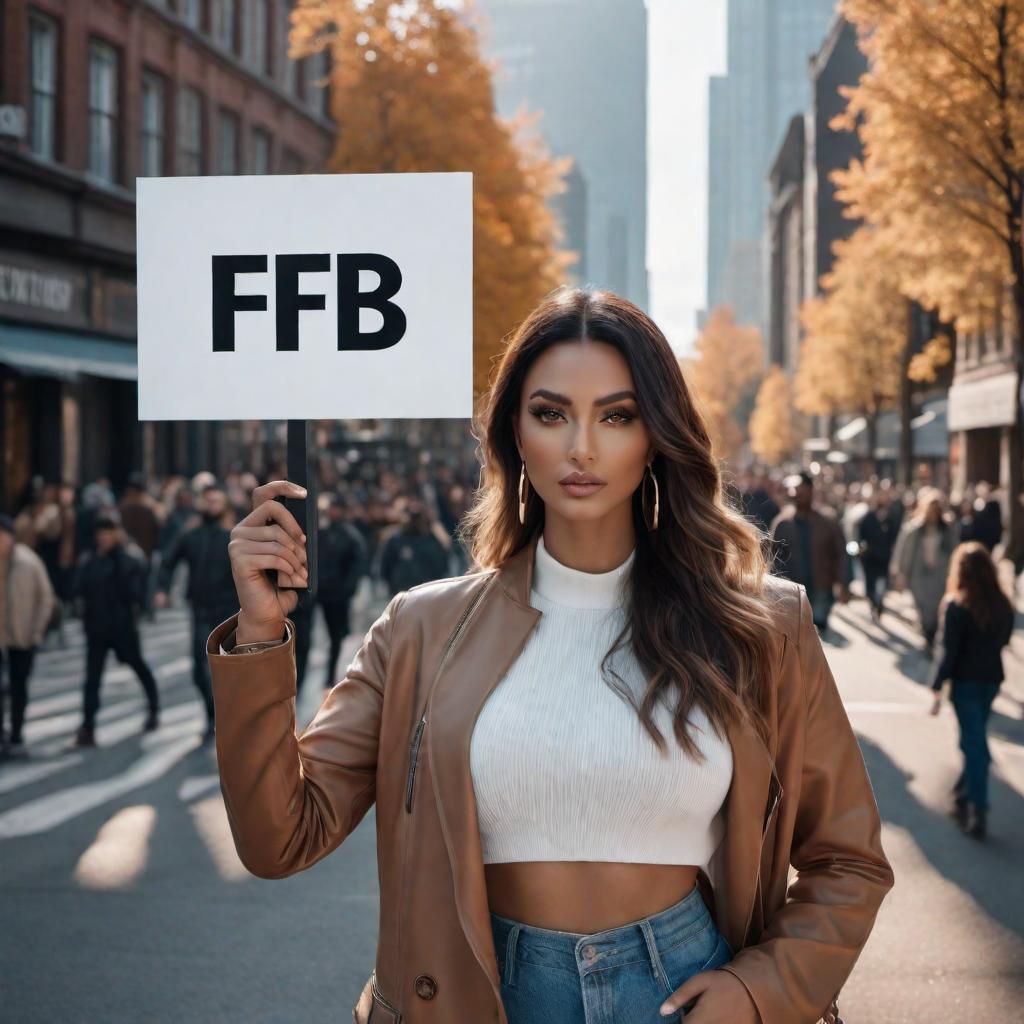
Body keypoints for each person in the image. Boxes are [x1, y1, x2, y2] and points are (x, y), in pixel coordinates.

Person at [207, 287, 893, 1024]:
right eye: (551, 413)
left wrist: (759, 990)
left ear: (657, 435)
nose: (582, 448)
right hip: (485, 994)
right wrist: (258, 633)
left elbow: (848, 860)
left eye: (618, 416)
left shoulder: (761, 624)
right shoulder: (421, 629)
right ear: (514, 432)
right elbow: (279, 837)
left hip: (689, 990)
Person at [927, 542, 1014, 840]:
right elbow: (1003, 639)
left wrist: (937, 685)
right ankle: (963, 793)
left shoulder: (956, 604)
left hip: (965, 682)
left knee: (975, 743)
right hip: (991, 679)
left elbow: (948, 651)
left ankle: (978, 808)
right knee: (975, 737)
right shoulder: (1002, 604)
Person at [153, 483, 237, 741]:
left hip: (230, 610)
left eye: (216, 501)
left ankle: (230, 718)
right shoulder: (191, 536)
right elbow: (169, 561)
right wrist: (162, 589)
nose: (211, 505)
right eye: (208, 500)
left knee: (231, 667)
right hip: (201, 608)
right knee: (200, 668)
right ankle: (213, 715)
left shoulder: (233, 537)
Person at [70, 514, 160, 748]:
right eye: (100, 534)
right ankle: (87, 727)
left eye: (108, 533)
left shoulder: (129, 557)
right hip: (97, 629)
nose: (104, 538)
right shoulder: (90, 560)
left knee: (138, 666)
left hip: (123, 628)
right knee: (92, 679)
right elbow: (78, 588)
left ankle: (153, 708)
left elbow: (136, 591)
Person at [0, 514, 56, 760]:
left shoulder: (29, 562)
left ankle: (17, 734)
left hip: (23, 637)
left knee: (19, 687)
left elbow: (46, 598)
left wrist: (36, 631)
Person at [770, 470, 849, 633]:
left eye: (803, 490)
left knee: (818, 635)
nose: (798, 494)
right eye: (796, 490)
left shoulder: (828, 522)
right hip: (792, 592)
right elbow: (773, 559)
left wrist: (843, 583)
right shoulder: (782, 524)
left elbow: (840, 554)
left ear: (811, 491)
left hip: (821, 587)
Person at [891, 487, 958, 653]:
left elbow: (955, 552)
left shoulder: (947, 530)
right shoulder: (914, 529)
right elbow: (903, 552)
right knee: (923, 610)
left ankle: (933, 637)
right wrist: (900, 573)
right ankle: (928, 636)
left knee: (937, 610)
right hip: (919, 576)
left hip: (940, 576)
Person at [857, 486, 899, 622]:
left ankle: (879, 603)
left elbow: (894, 537)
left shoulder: (891, 518)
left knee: (882, 584)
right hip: (869, 558)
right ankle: (873, 603)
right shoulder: (867, 517)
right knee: (870, 584)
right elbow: (860, 536)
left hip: (884, 558)